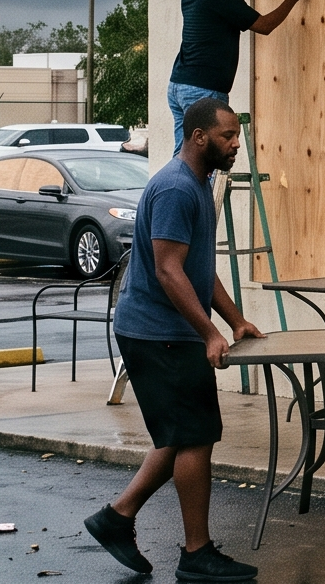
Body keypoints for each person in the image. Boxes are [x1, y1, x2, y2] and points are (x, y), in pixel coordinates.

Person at [84, 96, 267, 583]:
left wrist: (234, 320)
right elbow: (168, 272)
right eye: (228, 137)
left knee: (179, 434)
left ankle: (116, 518)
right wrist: (209, 333)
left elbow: (197, 270)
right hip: (157, 333)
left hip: (169, 331)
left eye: (237, 137)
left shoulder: (198, 185)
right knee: (195, 437)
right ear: (199, 136)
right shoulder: (175, 189)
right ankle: (196, 553)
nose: (236, 146)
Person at [168, 0, 309, 152]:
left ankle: (179, 188)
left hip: (179, 85)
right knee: (208, 159)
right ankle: (198, 189)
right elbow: (264, 26)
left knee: (184, 155)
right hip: (204, 90)